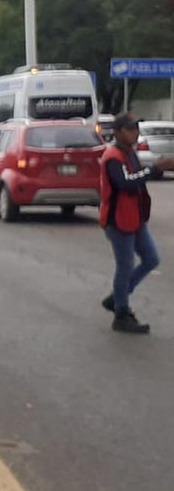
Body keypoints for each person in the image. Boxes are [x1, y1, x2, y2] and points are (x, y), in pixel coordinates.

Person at [99, 113, 174, 334]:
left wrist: (151, 170)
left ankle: (117, 296)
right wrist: (155, 169)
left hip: (135, 217)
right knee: (125, 266)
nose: (135, 132)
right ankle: (121, 313)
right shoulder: (113, 156)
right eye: (130, 129)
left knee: (151, 259)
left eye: (136, 128)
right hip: (118, 219)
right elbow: (126, 183)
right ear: (118, 132)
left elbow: (136, 178)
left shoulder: (129, 152)